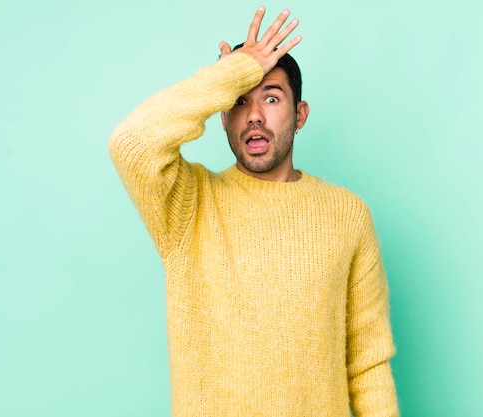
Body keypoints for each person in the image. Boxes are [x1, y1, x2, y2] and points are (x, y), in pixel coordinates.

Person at [109, 6, 398, 416]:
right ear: (223, 117)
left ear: (300, 115)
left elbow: (368, 365)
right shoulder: (189, 205)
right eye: (240, 102)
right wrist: (229, 76)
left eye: (272, 97)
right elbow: (131, 143)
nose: (255, 116)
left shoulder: (347, 215)